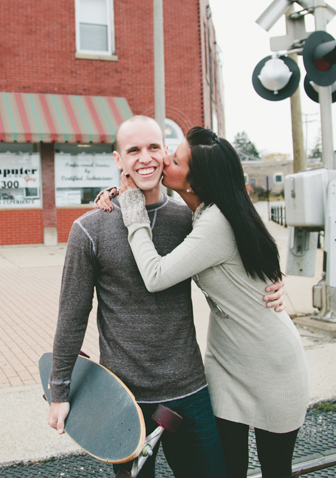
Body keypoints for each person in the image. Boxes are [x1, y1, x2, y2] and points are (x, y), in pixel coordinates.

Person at [47, 116, 287, 478]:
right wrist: (59, 391)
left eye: (153, 148)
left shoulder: (190, 221)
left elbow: (241, 245)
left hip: (189, 390)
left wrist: (274, 282)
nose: (144, 158)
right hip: (122, 397)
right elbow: (72, 315)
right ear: (118, 160)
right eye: (133, 150)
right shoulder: (89, 230)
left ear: (165, 154)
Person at [111, 126, 309, 478]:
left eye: (174, 159)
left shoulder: (216, 221)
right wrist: (114, 195)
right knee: (229, 470)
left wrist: (131, 210)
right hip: (227, 364)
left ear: (195, 180)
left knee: (275, 470)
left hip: (273, 365)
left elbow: (155, 276)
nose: (163, 161)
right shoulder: (210, 213)